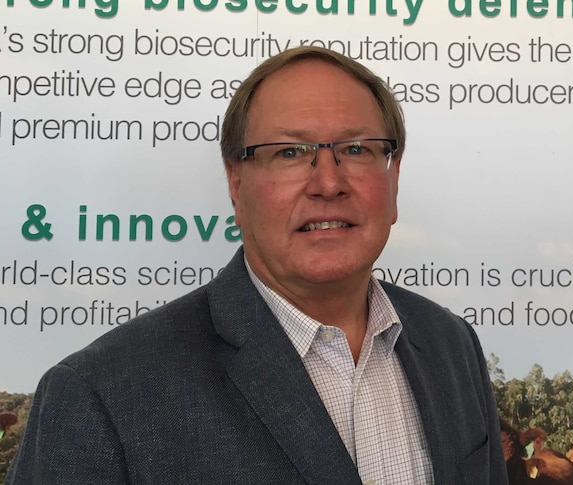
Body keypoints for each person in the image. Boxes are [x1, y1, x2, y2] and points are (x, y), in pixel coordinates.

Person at [7, 46, 508, 484]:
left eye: (356, 149)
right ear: (236, 184)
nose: (328, 183)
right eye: (290, 152)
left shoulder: (451, 346)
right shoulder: (101, 396)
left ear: (393, 178)